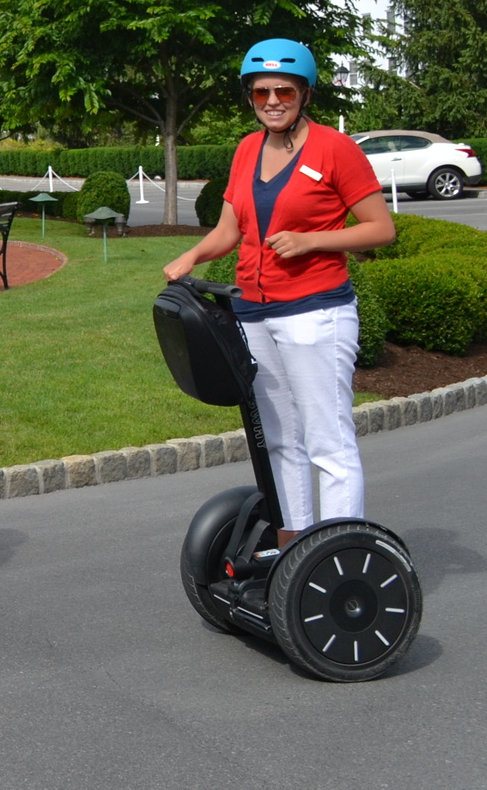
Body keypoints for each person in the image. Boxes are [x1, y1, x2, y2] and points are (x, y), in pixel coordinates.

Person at [162, 39, 394, 546]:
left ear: (304, 94)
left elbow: (381, 229)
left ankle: (338, 553)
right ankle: (295, 550)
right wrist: (192, 257)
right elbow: (230, 229)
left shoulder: (335, 148)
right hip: (253, 313)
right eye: (260, 91)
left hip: (315, 313)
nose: (272, 100)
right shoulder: (247, 149)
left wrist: (313, 239)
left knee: (327, 443)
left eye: (283, 90)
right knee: (281, 439)